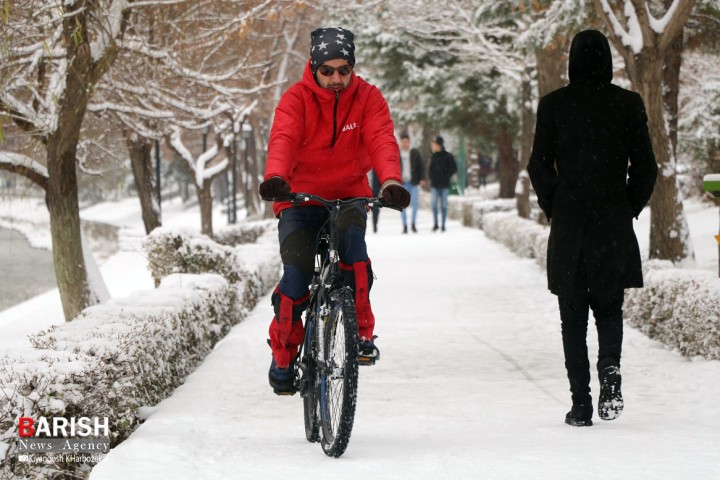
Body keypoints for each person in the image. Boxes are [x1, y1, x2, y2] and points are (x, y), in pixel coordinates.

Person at [258, 27, 411, 395]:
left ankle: (360, 336)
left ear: (352, 68)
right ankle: (283, 356)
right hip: (298, 197)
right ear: (314, 68)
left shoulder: (369, 98)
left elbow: (381, 139)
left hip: (349, 195)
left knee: (355, 258)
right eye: (327, 71)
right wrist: (276, 176)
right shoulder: (296, 99)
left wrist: (390, 181)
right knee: (295, 275)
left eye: (344, 70)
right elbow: (284, 138)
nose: (336, 79)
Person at [527, 29, 657, 427]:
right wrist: (627, 206)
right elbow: (646, 167)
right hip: (612, 223)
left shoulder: (554, 106)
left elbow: (538, 165)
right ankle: (610, 369)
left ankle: (580, 403)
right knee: (609, 307)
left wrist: (556, 205)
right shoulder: (628, 104)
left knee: (573, 317)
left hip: (570, 224)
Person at [428, 136, 457, 232]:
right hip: (435, 185)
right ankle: (436, 223)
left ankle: (443, 224)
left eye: (434, 144)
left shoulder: (448, 156)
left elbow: (453, 168)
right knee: (434, 205)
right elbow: (430, 169)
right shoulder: (433, 156)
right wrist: (431, 178)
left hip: (444, 185)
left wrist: (446, 175)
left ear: (439, 145)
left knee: (444, 205)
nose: (433, 146)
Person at [398, 132, 426, 233]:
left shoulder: (414, 153)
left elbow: (421, 166)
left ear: (409, 142)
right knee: (402, 205)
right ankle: (405, 225)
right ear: (401, 143)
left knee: (414, 204)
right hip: (403, 183)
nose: (405, 143)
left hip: (413, 182)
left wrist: (422, 178)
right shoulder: (397, 154)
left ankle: (413, 224)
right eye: (403, 142)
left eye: (406, 142)